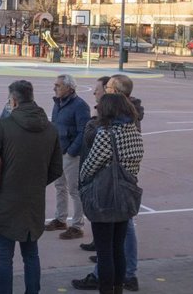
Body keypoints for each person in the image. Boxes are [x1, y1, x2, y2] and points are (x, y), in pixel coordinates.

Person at [0, 80, 63, 294]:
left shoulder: (3, 126)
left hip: (6, 199)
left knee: (4, 257)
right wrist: (35, 183)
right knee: (31, 254)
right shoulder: (50, 129)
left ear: (13, 100)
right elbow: (56, 168)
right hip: (33, 200)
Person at [73, 75, 144, 292]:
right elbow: (137, 158)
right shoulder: (133, 131)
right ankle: (118, 288)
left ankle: (105, 289)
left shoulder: (105, 133)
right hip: (126, 195)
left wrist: (82, 183)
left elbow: (90, 166)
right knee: (117, 249)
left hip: (105, 197)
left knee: (104, 252)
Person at [45, 74, 90, 239]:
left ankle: (77, 226)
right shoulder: (57, 103)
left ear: (69, 88)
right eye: (55, 85)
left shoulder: (80, 106)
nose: (54, 88)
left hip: (71, 155)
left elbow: (84, 131)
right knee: (59, 187)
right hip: (57, 152)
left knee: (74, 190)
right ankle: (60, 219)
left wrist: (72, 151)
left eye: (58, 85)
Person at [77, 76, 111, 254]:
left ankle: (104, 258)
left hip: (104, 177)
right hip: (101, 176)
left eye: (97, 89)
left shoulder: (107, 121)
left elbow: (93, 142)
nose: (94, 92)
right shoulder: (102, 115)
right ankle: (98, 242)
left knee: (110, 219)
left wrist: (84, 173)